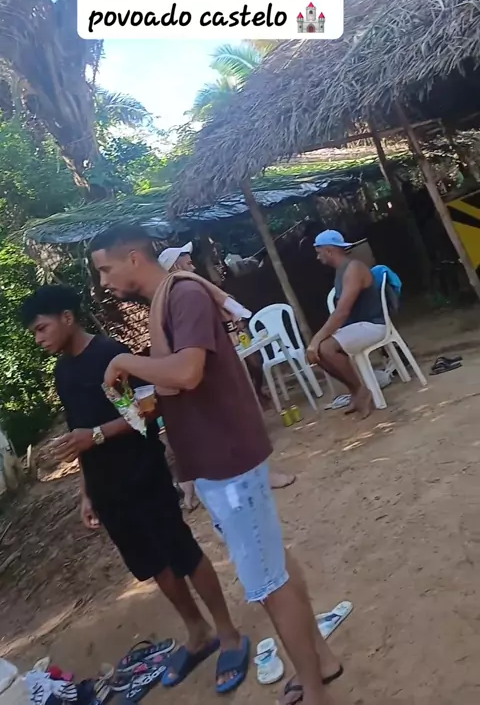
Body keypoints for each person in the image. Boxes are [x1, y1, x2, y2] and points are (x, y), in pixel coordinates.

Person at [89, 224, 343, 705]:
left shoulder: (183, 296)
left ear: (134, 259)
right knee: (275, 565)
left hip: (228, 463)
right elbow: (178, 379)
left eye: (106, 269)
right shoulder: (165, 300)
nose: (103, 281)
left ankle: (315, 691)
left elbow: (188, 372)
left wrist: (125, 362)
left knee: (269, 583)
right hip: (215, 463)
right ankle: (322, 661)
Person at [20, 285, 247, 694]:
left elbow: (146, 414)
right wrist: (86, 492)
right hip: (108, 491)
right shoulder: (62, 373)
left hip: (143, 475)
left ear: (67, 317)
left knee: (182, 552)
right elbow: (79, 437)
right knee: (152, 563)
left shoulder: (110, 355)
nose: (39, 339)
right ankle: (198, 632)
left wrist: (97, 436)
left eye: (41, 328)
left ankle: (228, 633)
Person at [157, 243, 294, 490]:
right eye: (187, 261)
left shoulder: (180, 295)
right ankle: (262, 476)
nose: (192, 266)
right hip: (210, 376)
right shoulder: (186, 294)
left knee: (235, 424)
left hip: (211, 373)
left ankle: (258, 475)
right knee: (238, 423)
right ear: (176, 266)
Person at [307, 230, 386, 420]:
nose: (317, 257)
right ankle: (356, 391)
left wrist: (315, 340)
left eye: (319, 252)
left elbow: (342, 312)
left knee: (324, 348)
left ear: (328, 250)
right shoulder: (342, 270)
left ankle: (361, 391)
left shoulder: (354, 268)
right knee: (318, 353)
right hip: (358, 327)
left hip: (372, 325)